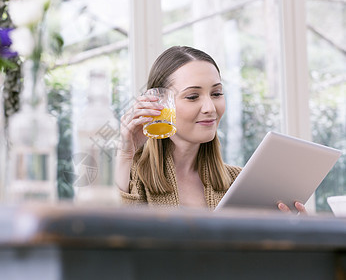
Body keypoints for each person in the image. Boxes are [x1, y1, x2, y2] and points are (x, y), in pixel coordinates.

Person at [115, 46, 306, 213]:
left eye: (216, 94)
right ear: (160, 104)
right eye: (192, 96)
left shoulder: (239, 183)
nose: (210, 108)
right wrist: (125, 155)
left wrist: (291, 236)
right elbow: (118, 242)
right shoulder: (132, 178)